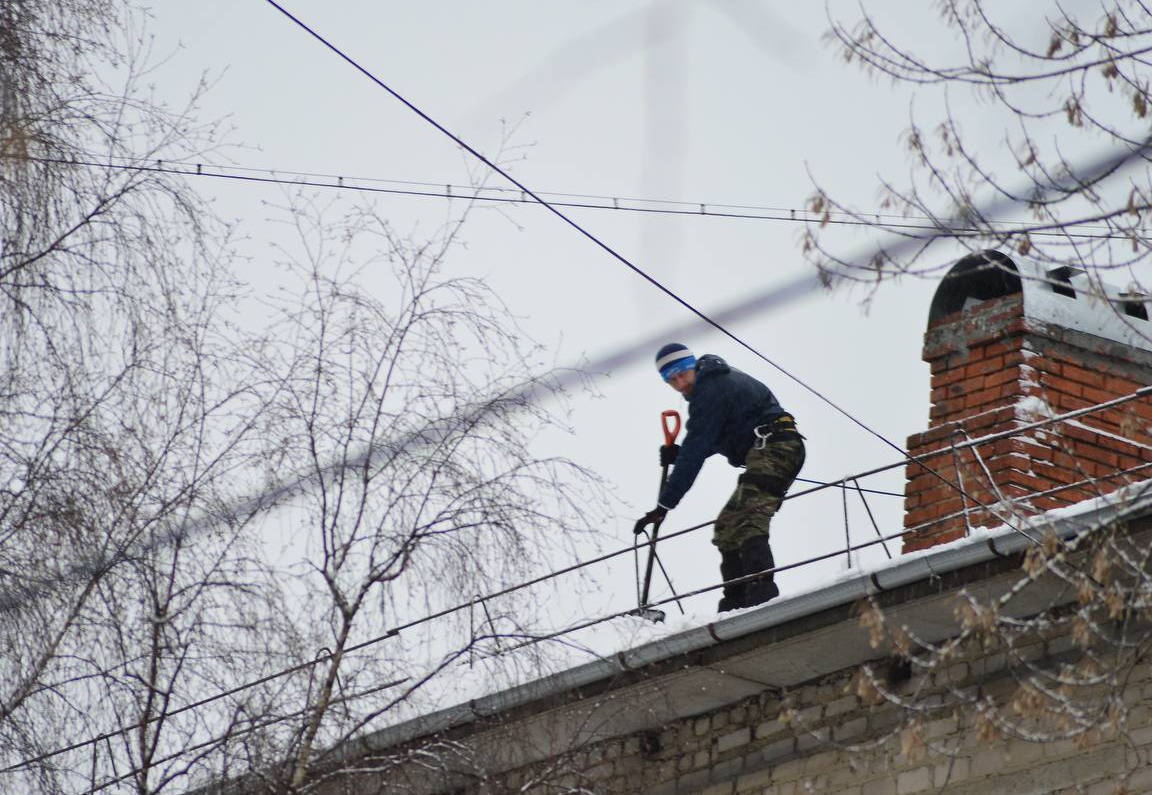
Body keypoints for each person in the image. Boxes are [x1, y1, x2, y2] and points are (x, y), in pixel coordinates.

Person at [634, 343, 805, 611]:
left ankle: (762, 594)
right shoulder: (713, 385)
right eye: (672, 380)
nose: (680, 384)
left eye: (682, 374)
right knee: (726, 528)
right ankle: (735, 600)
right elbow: (715, 437)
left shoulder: (710, 389)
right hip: (768, 450)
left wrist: (665, 504)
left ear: (692, 366)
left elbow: (697, 449)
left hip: (777, 447)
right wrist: (680, 456)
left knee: (750, 517)